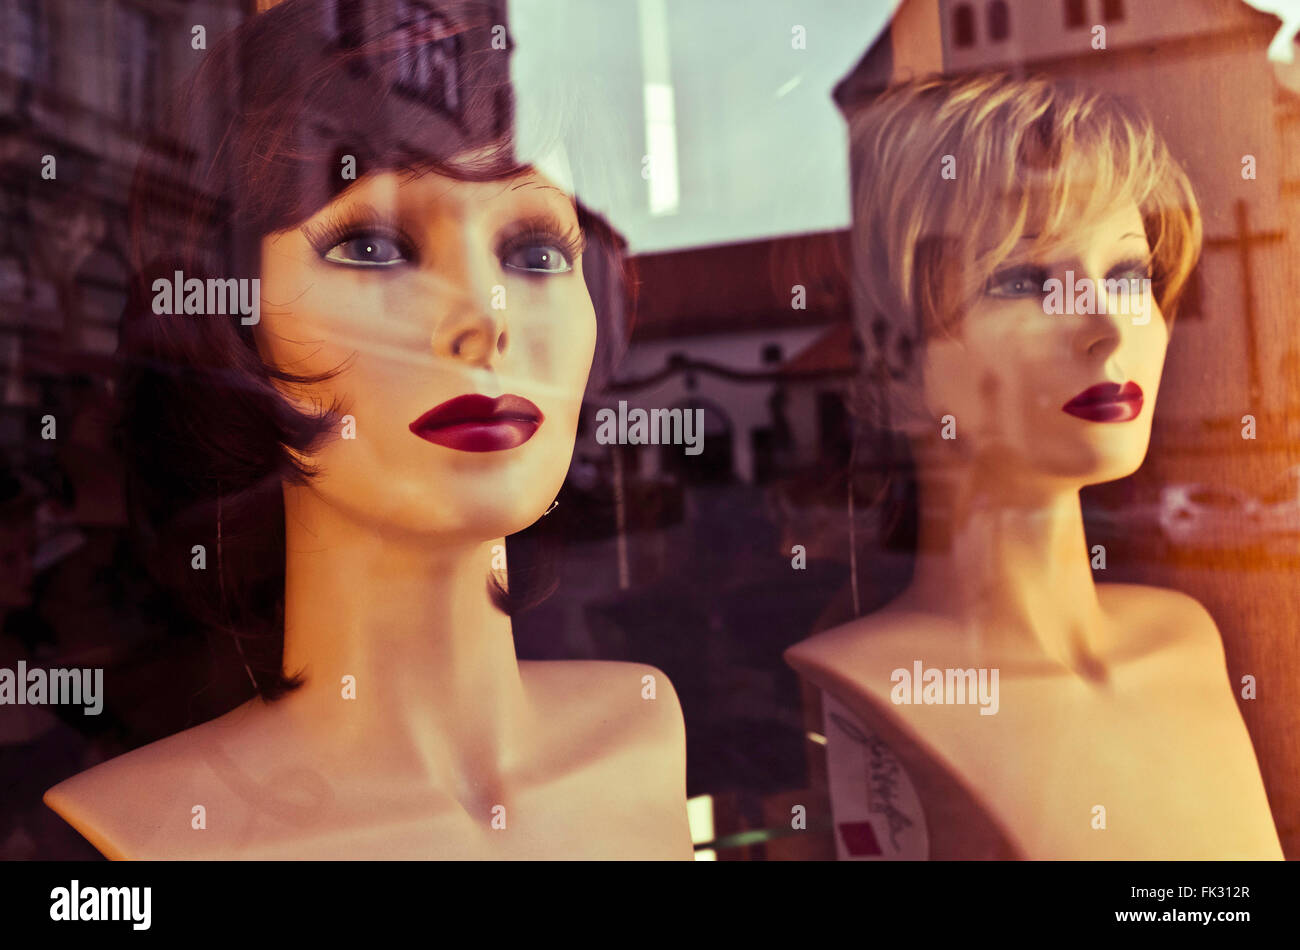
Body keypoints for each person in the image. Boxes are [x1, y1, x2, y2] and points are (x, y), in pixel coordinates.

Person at [44, 0, 691, 860]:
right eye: (374, 248)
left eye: (535, 253)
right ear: (231, 323)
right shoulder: (151, 835)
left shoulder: (642, 732)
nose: (481, 322)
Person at [786, 72, 1283, 859]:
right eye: (1021, 281)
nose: (1108, 330)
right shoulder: (871, 687)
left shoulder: (1188, 642)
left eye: (1127, 274)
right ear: (889, 368)